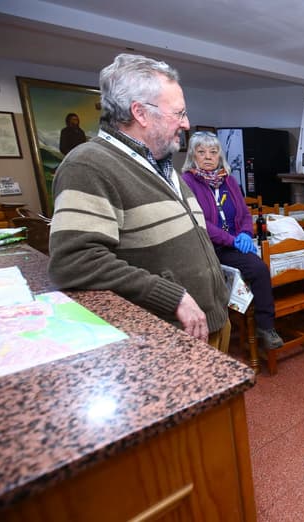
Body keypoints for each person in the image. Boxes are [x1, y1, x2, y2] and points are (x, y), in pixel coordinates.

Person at [48, 53, 231, 351]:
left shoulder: (161, 163)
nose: (186, 124)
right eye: (179, 113)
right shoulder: (87, 166)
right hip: (167, 339)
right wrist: (172, 296)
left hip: (207, 324)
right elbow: (74, 262)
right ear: (141, 113)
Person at [181, 131, 283, 349]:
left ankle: (265, 326)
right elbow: (200, 221)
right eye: (201, 152)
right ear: (193, 155)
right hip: (207, 248)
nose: (208, 156)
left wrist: (245, 233)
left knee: (260, 268)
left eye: (213, 151)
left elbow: (245, 213)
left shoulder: (229, 180)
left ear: (220, 155)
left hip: (233, 244)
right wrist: (231, 239)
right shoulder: (187, 182)